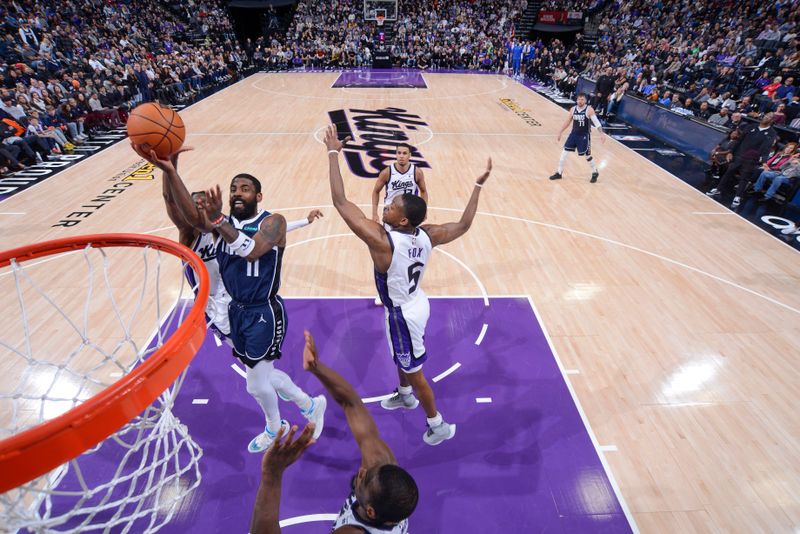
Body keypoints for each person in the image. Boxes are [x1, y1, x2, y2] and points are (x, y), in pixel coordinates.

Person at [137, 145, 328, 453]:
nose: (237, 192)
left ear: (257, 195)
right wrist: (170, 170)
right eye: (233, 188)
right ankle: (310, 405)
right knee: (262, 374)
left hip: (262, 311)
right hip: (226, 310)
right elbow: (175, 207)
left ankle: (275, 426)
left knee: (255, 382)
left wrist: (303, 222)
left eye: (245, 188)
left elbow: (253, 247)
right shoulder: (202, 230)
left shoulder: (259, 222)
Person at [325, 124, 492, 445]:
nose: (385, 207)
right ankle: (404, 395)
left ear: (402, 219)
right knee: (402, 360)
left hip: (403, 314)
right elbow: (464, 224)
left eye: (391, 206)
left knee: (416, 373)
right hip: (416, 302)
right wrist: (476, 185)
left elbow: (340, 201)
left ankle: (438, 424)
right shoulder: (428, 233)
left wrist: (333, 154)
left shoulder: (382, 242)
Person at [249, 331, 419, 534]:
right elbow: (352, 404)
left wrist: (272, 475)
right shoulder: (381, 469)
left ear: (371, 512)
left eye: (363, 479)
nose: (362, 470)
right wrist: (316, 367)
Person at [370, 142, 428, 305]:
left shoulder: (417, 172)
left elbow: (423, 191)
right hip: (392, 216)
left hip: (409, 217)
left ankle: (410, 285)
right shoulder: (387, 172)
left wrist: (423, 210)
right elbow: (375, 191)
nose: (401, 156)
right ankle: (382, 292)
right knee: (386, 256)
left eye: (404, 153)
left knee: (409, 253)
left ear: (410, 155)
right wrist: (374, 212)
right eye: (399, 153)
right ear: (396, 155)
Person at [706, 113, 778, 209]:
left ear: (772, 121)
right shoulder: (751, 127)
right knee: (728, 172)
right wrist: (731, 152)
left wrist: (764, 162)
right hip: (739, 155)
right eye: (766, 115)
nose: (766, 117)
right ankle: (718, 189)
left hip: (752, 159)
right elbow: (739, 140)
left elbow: (766, 148)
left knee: (744, 178)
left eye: (769, 117)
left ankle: (738, 197)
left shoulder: (771, 133)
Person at [549, 92, 605, 183]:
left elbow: (596, 122)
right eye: (579, 99)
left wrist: (601, 134)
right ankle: (559, 173)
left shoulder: (589, 110)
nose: (580, 101)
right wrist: (560, 131)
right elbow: (567, 122)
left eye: (582, 99)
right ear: (576, 100)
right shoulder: (572, 109)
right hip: (573, 134)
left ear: (585, 100)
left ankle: (595, 171)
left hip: (584, 136)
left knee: (587, 156)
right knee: (563, 154)